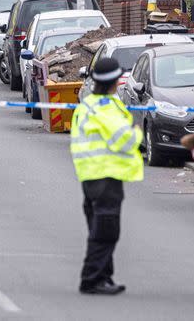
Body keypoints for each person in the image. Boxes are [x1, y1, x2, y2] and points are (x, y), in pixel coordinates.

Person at [70, 57, 143, 295]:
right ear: (114, 81)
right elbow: (123, 141)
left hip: (90, 176)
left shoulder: (89, 103)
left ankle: (104, 276)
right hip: (106, 175)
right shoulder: (106, 108)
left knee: (99, 226)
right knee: (106, 230)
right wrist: (137, 132)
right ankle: (92, 279)